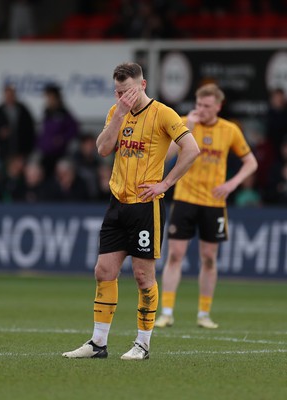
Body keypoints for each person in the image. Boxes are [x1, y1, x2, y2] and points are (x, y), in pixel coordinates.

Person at [62, 62, 199, 361]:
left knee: (142, 277)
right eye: (118, 91)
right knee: (104, 271)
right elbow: (102, 149)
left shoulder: (163, 113)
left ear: (143, 85)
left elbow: (191, 149)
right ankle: (98, 343)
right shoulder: (117, 113)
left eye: (128, 91)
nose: (123, 96)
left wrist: (166, 183)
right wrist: (119, 116)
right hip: (117, 203)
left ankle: (143, 344)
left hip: (145, 207)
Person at [155, 83, 258, 330]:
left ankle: (203, 314)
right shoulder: (182, 122)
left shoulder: (230, 129)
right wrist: (186, 129)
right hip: (185, 198)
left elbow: (250, 162)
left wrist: (232, 184)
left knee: (209, 258)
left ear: (218, 106)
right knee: (176, 255)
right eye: (198, 104)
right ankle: (167, 312)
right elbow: (164, 157)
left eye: (207, 106)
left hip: (213, 202)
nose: (201, 109)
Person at [37, 83, 80, 177]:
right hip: (45, 154)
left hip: (59, 154)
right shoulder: (46, 113)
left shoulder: (64, 113)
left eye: (51, 98)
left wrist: (62, 139)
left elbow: (74, 128)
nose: (49, 100)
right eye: (47, 98)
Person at [0, 84, 36, 166]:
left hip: (21, 152)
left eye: (12, 95)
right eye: (7, 95)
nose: (10, 97)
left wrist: (28, 149)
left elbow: (31, 130)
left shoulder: (23, 110)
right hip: (5, 153)